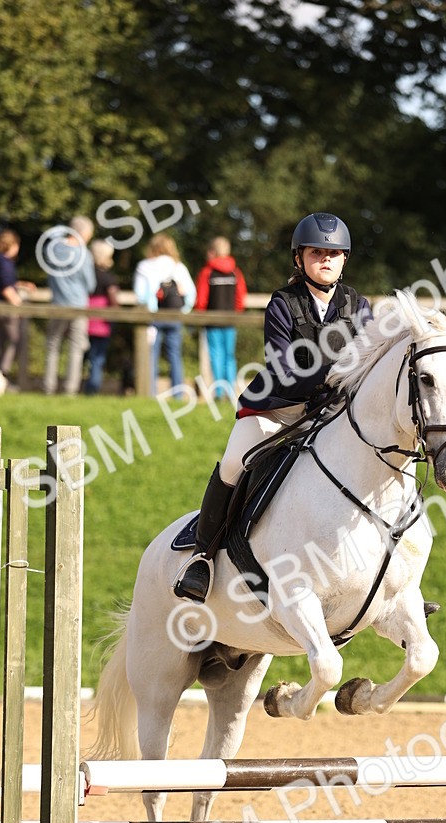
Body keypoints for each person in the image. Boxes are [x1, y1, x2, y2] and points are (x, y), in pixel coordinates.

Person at [173, 211, 372, 603]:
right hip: (280, 409)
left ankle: (392, 573)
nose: (326, 259)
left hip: (332, 413)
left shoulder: (359, 306)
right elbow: (284, 368)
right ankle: (202, 556)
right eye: (316, 253)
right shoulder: (282, 304)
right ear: (299, 258)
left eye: (333, 253)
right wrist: (336, 376)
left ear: (344, 259)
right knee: (234, 462)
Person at [133, 234, 196, 395]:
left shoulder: (144, 266)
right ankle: (178, 394)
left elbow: (140, 295)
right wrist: (183, 311)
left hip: (152, 317)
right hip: (174, 316)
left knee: (150, 356)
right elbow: (191, 293)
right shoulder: (178, 267)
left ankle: (150, 393)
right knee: (175, 356)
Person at [43, 215, 96, 396]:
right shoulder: (84, 254)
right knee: (76, 348)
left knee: (53, 345)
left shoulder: (53, 248)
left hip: (57, 303)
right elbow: (90, 284)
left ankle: (48, 387)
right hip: (78, 305)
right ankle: (70, 389)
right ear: (84, 233)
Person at [194, 236, 247, 398]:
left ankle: (218, 392)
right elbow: (241, 296)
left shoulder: (207, 272)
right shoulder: (235, 272)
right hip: (231, 320)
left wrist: (200, 313)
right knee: (229, 356)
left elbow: (201, 299)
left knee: (216, 355)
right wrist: (237, 312)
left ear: (212, 252)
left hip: (212, 321)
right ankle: (230, 392)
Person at [0, 229, 35, 395]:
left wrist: (21, 284)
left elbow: (4, 282)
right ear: (13, 245)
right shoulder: (5, 263)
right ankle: (1, 372)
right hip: (5, 308)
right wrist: (18, 307)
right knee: (14, 340)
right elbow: (6, 288)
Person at [83, 240, 120, 395]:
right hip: (101, 322)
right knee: (97, 358)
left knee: (83, 356)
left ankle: (78, 387)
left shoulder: (86, 274)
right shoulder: (108, 277)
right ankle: (92, 389)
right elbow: (113, 298)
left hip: (85, 318)